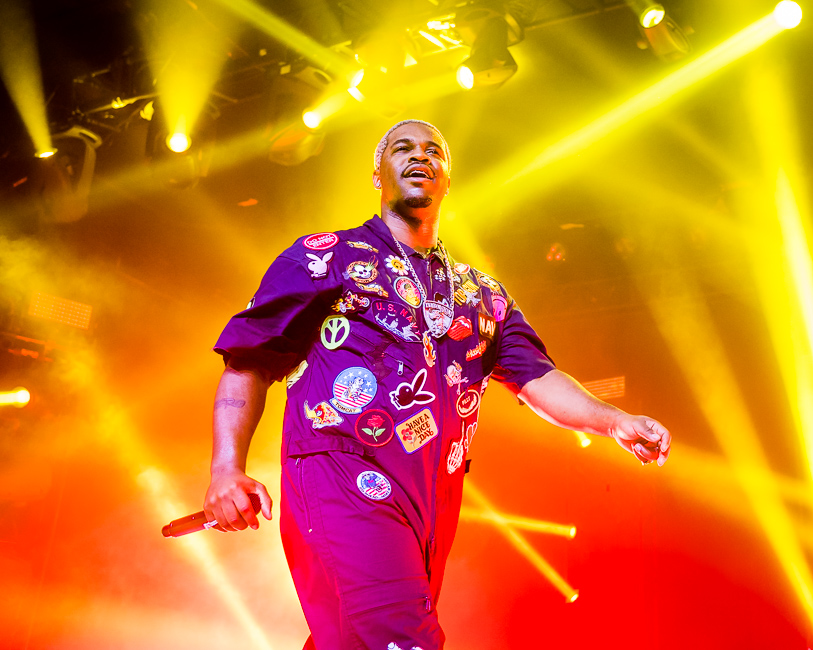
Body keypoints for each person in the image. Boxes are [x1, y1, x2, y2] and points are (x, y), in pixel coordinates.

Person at [203, 119, 671, 650]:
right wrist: (226, 469)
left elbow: (537, 377)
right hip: (341, 478)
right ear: (377, 173)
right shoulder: (324, 256)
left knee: (349, 641)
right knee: (407, 638)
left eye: (434, 151)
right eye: (402, 148)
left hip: (429, 501)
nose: (418, 155)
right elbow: (246, 362)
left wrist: (615, 421)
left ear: (447, 179)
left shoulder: (481, 295)